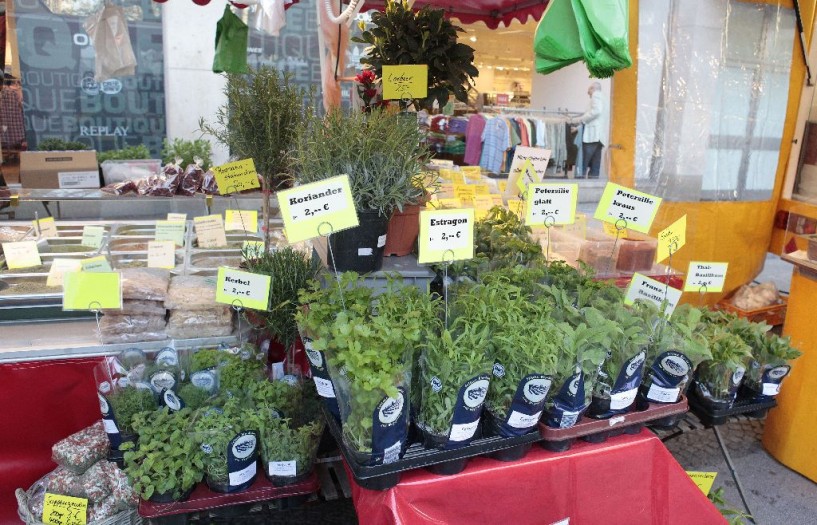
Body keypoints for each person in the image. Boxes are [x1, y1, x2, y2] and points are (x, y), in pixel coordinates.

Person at [571, 82, 605, 179]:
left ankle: (579, 183)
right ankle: (593, 184)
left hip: (592, 136)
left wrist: (580, 119)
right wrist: (578, 127)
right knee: (595, 164)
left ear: (593, 88)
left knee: (583, 162)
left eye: (589, 89)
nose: (587, 92)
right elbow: (596, 119)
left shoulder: (596, 95)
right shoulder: (603, 98)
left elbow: (596, 112)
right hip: (599, 137)